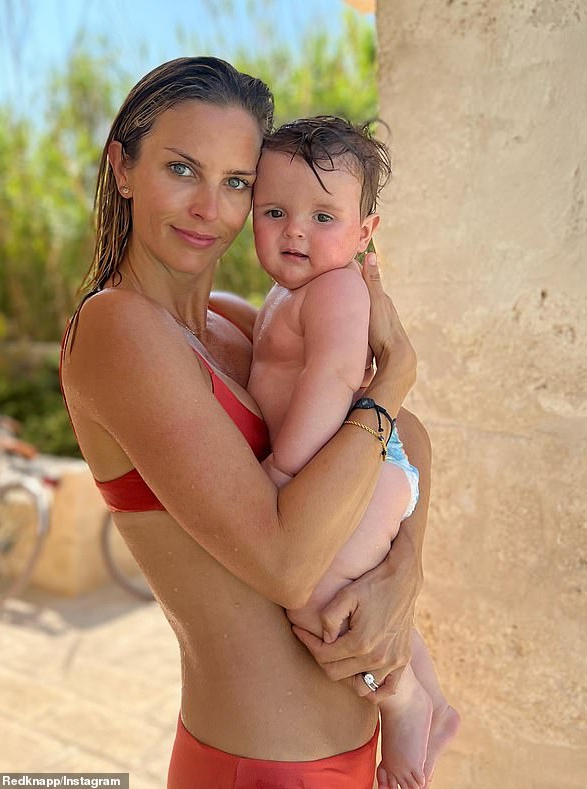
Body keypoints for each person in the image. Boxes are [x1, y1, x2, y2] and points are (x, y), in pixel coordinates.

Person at [60, 57, 423, 789]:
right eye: (182, 169)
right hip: (259, 767)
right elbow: (286, 562)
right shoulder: (117, 331)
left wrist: (403, 569)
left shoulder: (237, 322)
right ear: (123, 168)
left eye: (235, 184)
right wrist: (394, 378)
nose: (209, 208)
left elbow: (409, 440)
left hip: (354, 756)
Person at [248, 116, 460, 789]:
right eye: (275, 211)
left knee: (316, 595)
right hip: (367, 470)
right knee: (356, 588)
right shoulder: (287, 292)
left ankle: (400, 699)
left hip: (364, 472)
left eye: (322, 216)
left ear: (365, 233)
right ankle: (432, 699)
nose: (295, 232)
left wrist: (283, 469)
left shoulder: (338, 290)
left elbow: (336, 378)